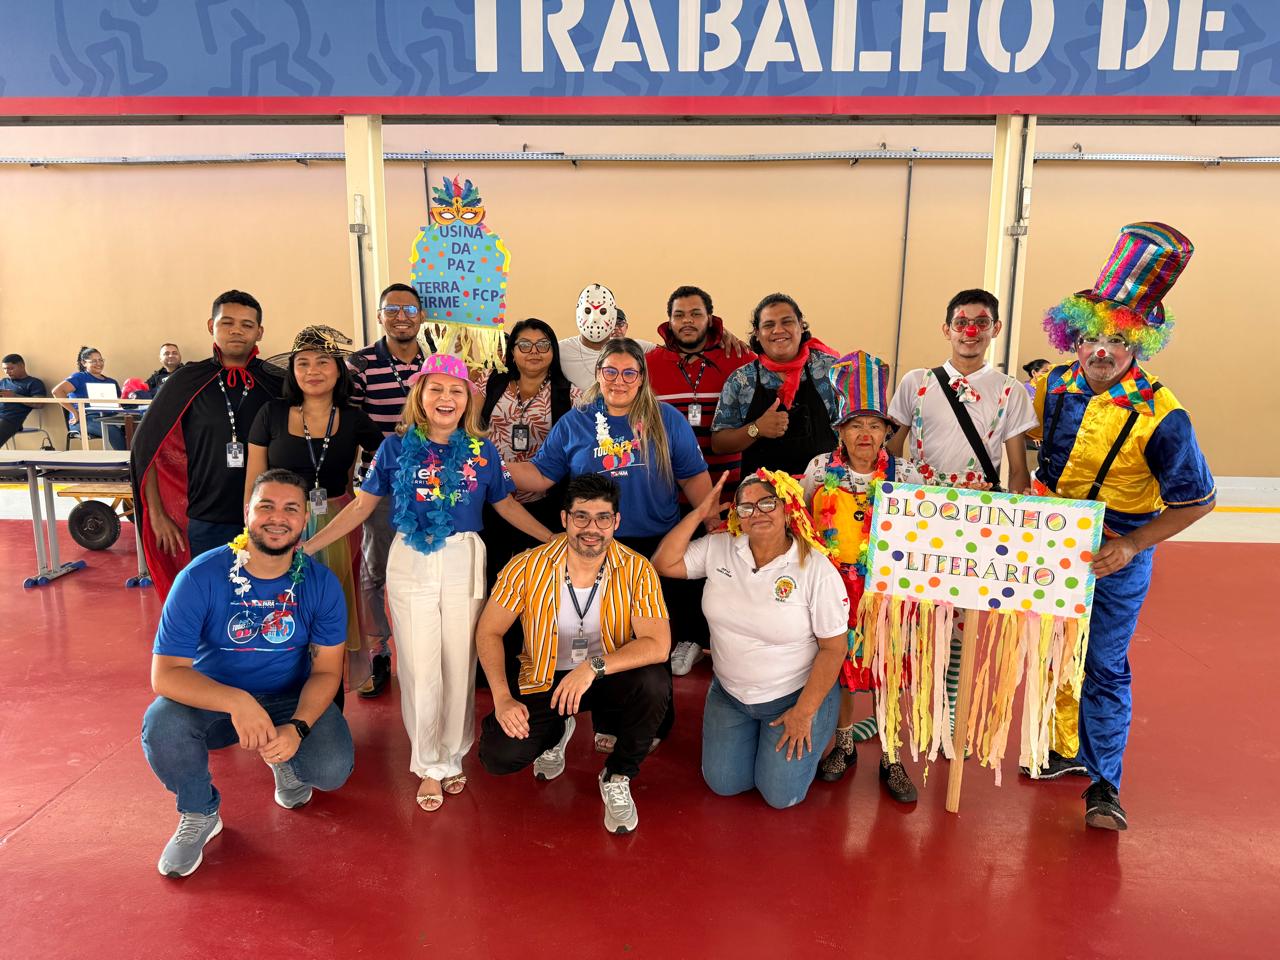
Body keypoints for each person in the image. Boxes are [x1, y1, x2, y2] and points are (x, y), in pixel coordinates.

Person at [304, 354, 554, 812]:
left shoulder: (482, 452)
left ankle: (452, 755)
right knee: (420, 665)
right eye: (435, 388)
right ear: (420, 396)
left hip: (464, 555)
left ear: (468, 401)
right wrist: (307, 546)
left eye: (456, 390)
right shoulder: (394, 450)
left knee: (459, 662)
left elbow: (506, 505)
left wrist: (553, 539)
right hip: (411, 557)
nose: (446, 397)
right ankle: (428, 763)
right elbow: (361, 507)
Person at [1030, 222, 1214, 831]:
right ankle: (1064, 750)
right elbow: (1022, 437)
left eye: (1117, 339)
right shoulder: (1053, 385)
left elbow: (1199, 501)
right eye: (1091, 338)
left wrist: (1133, 544)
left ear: (1139, 346)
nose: (1101, 351)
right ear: (1074, 339)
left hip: (1116, 551)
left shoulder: (1164, 415)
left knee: (1104, 665)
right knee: (1055, 651)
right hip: (1051, 542)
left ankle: (1105, 783)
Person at [140, 469, 354, 878]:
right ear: (246, 513)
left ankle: (284, 759)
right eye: (266, 506)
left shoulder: (321, 584)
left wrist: (298, 728)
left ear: (305, 518)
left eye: (291, 509)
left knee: (330, 770)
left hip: (288, 697)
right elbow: (165, 675)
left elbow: (328, 670)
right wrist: (237, 701)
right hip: (218, 699)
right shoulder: (200, 577)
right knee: (162, 724)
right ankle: (200, 812)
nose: (278, 518)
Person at [506, 337, 713, 753]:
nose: (619, 380)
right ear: (598, 375)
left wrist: (712, 522)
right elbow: (542, 476)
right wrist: (494, 468)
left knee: (650, 640)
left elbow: (692, 477)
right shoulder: (576, 423)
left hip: (654, 548)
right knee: (604, 634)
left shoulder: (667, 420)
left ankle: (652, 720)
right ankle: (607, 717)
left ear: (642, 377)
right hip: (594, 544)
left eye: (629, 372)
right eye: (610, 371)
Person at [476, 474, 672, 835]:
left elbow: (658, 644)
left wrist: (591, 667)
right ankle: (557, 731)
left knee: (654, 682)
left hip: (604, 674)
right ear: (565, 518)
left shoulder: (637, 569)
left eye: (602, 518)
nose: (591, 528)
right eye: (581, 517)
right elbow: (489, 631)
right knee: (499, 756)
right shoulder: (526, 566)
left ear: (616, 521)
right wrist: (502, 698)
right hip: (545, 677)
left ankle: (618, 774)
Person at [884, 288, 1039, 742]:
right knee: (911, 611)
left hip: (976, 518)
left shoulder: (1010, 390)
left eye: (981, 322)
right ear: (947, 329)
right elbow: (891, 450)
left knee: (961, 620)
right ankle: (899, 708)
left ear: (995, 329)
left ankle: (950, 711)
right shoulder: (916, 382)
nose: (970, 331)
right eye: (962, 322)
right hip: (920, 513)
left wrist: (1018, 524)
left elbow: (1017, 468)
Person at [653, 469, 846, 809]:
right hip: (731, 694)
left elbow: (833, 648)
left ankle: (820, 722)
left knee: (779, 797)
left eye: (767, 503)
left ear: (786, 508)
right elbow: (663, 563)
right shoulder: (720, 547)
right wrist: (699, 513)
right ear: (737, 515)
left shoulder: (816, 569)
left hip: (793, 697)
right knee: (724, 784)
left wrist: (803, 713)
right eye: (746, 507)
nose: (758, 513)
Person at [799, 352, 924, 802]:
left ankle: (891, 754)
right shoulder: (819, 469)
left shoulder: (906, 475)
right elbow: (799, 519)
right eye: (855, 425)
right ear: (840, 431)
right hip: (833, 591)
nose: (865, 434)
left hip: (887, 592)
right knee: (839, 667)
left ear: (888, 431)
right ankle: (845, 743)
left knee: (889, 669)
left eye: (874, 424)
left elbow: (926, 533)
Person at [247, 326, 385, 691]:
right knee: (280, 602)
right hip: (279, 521)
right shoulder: (271, 413)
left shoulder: (354, 418)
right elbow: (253, 482)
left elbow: (389, 458)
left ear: (338, 370)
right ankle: (282, 684)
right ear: (293, 371)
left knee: (331, 603)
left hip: (338, 522)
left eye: (323, 361)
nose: (313, 370)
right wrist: (250, 532)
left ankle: (329, 687)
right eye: (303, 363)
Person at [131, 291, 284, 598]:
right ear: (211, 326)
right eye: (227, 322)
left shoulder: (277, 383)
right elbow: (146, 448)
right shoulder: (186, 381)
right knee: (212, 603)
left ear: (259, 332)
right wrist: (157, 514)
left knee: (268, 604)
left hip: (270, 518)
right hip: (207, 520)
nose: (237, 330)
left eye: (246, 324)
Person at [645, 285, 757, 675]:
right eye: (679, 314)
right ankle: (686, 638)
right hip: (670, 489)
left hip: (729, 486)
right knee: (679, 566)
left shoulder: (738, 358)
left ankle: (720, 642)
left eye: (695, 313)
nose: (687, 321)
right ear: (669, 320)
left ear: (710, 317)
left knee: (728, 566)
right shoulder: (650, 362)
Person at [473, 318, 582, 683]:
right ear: (511, 351)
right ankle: (492, 666)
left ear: (553, 351)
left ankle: (535, 665)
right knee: (492, 584)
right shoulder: (490, 385)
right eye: (524, 345)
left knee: (536, 588)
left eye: (543, 345)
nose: (534, 352)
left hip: (543, 506)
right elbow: (463, 421)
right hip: (491, 504)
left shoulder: (571, 396)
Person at [347, 282, 437, 699]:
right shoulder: (361, 364)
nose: (402, 317)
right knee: (375, 570)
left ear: (422, 316)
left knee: (427, 567)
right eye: (392, 309)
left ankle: (427, 648)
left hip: (433, 485)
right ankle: (379, 651)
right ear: (380, 315)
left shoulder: (435, 360)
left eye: (410, 309)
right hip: (381, 485)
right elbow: (349, 423)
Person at [711, 292, 842, 479]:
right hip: (762, 494)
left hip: (825, 490)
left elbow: (855, 426)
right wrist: (756, 429)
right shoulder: (741, 380)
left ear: (801, 325)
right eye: (768, 325)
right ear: (757, 333)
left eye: (787, 322)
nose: (778, 330)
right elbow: (719, 444)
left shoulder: (830, 370)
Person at [558, 285, 655, 392]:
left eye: (603, 311)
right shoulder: (559, 350)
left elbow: (665, 351)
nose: (595, 318)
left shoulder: (631, 348)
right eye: (587, 310)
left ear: (612, 314)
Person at [52, 346, 125, 449]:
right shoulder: (79, 377)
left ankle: (136, 456)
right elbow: (57, 392)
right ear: (84, 363)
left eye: (100, 360)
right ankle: (128, 458)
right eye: (94, 361)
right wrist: (74, 412)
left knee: (133, 427)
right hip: (85, 418)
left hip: (110, 417)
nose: (98, 363)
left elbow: (119, 403)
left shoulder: (111, 382)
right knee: (111, 431)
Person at [0, 354, 47, 448]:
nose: (7, 372)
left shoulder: (33, 383)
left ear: (22, 366)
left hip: (10, 420)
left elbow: (40, 404)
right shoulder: (3, 381)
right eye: (4, 369)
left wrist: (14, 396)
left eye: (10, 368)